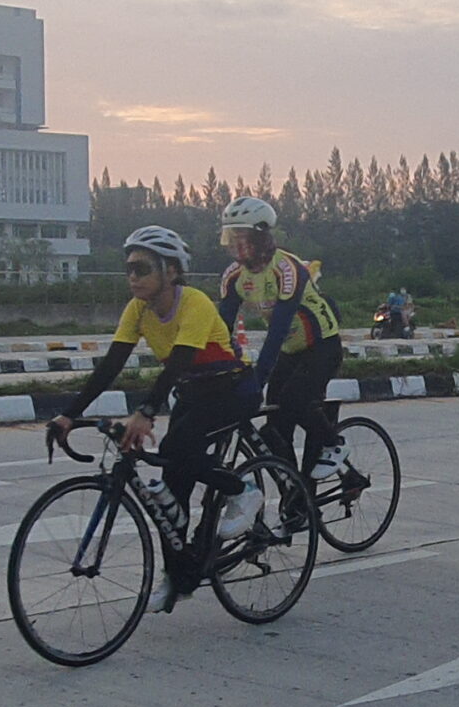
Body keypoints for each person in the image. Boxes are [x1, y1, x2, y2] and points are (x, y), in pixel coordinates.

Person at [51, 226, 256, 614]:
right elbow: (111, 364)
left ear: (172, 271)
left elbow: (178, 361)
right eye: (129, 269)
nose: (133, 277)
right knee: (168, 496)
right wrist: (67, 414)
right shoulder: (139, 309)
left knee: (180, 449)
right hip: (194, 394)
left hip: (233, 390)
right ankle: (179, 578)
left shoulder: (193, 302)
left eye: (143, 269)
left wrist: (146, 412)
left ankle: (241, 490)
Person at [214, 195, 346, 480]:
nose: (237, 245)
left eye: (244, 237)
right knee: (274, 429)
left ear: (262, 238)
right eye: (231, 237)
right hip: (291, 350)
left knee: (294, 401)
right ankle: (297, 498)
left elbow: (276, 332)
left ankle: (333, 444)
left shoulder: (287, 268)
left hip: (322, 345)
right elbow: (221, 328)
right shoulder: (233, 276)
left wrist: (257, 379)